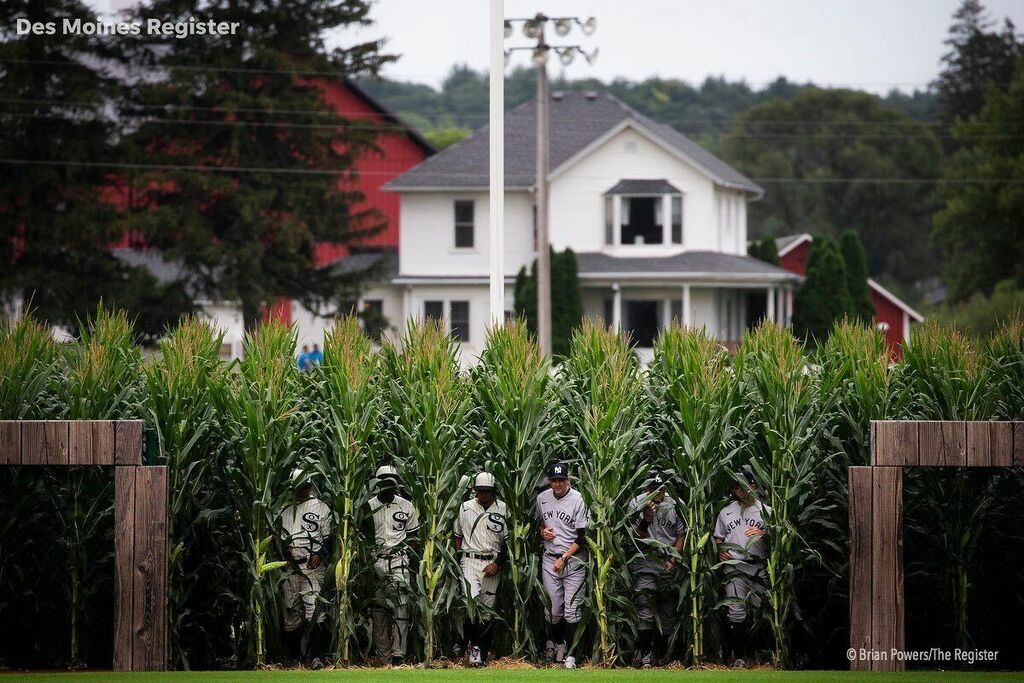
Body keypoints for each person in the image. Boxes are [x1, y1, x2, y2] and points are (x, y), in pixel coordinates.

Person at [713, 469, 770, 669]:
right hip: (734, 568)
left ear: (752, 485)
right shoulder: (726, 512)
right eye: (735, 486)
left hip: (758, 569)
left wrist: (764, 533)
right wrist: (721, 550)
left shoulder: (766, 511)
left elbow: (779, 540)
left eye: (741, 485)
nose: (738, 489)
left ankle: (758, 656)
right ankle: (738, 658)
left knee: (759, 611)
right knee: (735, 612)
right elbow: (718, 537)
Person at [627, 472, 685, 667]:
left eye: (660, 490)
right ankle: (645, 654)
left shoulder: (676, 503)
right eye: (652, 490)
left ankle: (662, 654)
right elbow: (635, 537)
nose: (656, 494)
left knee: (668, 607)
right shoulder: (636, 503)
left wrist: (673, 559)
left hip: (667, 560)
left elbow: (680, 535)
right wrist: (646, 518)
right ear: (646, 489)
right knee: (644, 605)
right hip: (644, 558)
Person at [536, 462, 589, 669]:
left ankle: (571, 655)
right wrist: (542, 532)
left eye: (561, 480)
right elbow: (540, 523)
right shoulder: (542, 498)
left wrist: (565, 557)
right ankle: (558, 645)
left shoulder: (578, 499)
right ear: (549, 481)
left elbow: (582, 537)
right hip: (550, 558)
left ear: (568, 480)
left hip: (573, 559)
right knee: (553, 610)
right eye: (553, 480)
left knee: (572, 610)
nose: (557, 484)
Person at [453, 472, 509, 667]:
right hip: (470, 560)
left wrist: (498, 564)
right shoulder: (465, 507)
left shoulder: (502, 508)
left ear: (493, 491)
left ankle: (481, 654)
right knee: (472, 603)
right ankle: (474, 648)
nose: (483, 495)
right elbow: (457, 535)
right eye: (480, 491)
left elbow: (508, 542)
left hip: (492, 563)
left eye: (487, 491)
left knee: (487, 611)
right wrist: (460, 555)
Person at [280, 467, 332, 669]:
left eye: (303, 486)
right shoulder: (284, 508)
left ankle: (315, 657)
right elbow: (277, 538)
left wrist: (320, 553)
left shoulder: (321, 507)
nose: (300, 490)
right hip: (290, 569)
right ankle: (294, 658)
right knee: (291, 614)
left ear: (309, 485)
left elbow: (328, 538)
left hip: (312, 568)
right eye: (297, 486)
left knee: (315, 612)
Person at [368, 465, 419, 665]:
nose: (388, 485)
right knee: (378, 611)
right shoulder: (369, 507)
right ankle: (383, 657)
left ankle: (399, 655)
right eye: (384, 482)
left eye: (392, 481)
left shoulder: (406, 506)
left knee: (401, 608)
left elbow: (413, 537)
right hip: (375, 562)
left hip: (399, 561)